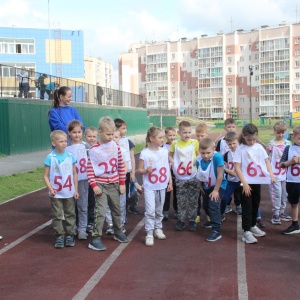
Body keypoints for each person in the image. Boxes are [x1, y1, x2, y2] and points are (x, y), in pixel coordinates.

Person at [87, 116, 129, 251]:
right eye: (108, 134)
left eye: (112, 134)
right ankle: (95, 238)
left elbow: (121, 166)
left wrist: (122, 183)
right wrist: (94, 185)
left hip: (114, 184)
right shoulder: (93, 150)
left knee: (117, 209)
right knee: (101, 211)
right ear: (100, 132)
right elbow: (90, 169)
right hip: (100, 184)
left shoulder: (115, 147)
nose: (111, 137)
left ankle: (118, 231)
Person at [234, 124, 276, 244]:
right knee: (246, 206)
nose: (251, 142)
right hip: (245, 183)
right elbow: (237, 168)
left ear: (256, 137)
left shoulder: (259, 147)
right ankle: (246, 231)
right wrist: (245, 183)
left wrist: (271, 174)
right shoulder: (240, 148)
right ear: (244, 136)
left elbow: (266, 161)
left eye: (254, 139)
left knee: (255, 203)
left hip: (257, 181)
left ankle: (252, 225)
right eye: (249, 139)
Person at [43, 130, 79, 248]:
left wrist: (76, 189)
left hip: (69, 192)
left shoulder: (70, 157)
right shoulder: (50, 157)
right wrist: (50, 188)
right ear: (54, 143)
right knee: (57, 215)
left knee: (70, 213)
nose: (64, 144)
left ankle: (69, 235)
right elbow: (45, 176)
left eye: (65, 141)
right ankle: (59, 235)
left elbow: (74, 174)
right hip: (56, 193)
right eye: (61, 141)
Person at [137, 126, 172, 246]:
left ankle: (158, 228)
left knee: (159, 209)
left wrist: (170, 182)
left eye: (163, 137)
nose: (163, 139)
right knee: (150, 211)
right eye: (160, 137)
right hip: (149, 187)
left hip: (162, 185)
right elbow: (139, 170)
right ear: (152, 138)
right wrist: (146, 170)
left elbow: (167, 168)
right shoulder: (145, 153)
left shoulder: (164, 151)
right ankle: (149, 233)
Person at [169, 121, 200, 231]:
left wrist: (197, 163)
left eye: (189, 132)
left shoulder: (194, 142)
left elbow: (198, 154)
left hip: (193, 175)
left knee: (193, 199)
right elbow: (170, 155)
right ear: (179, 133)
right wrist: (173, 163)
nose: (187, 135)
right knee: (181, 199)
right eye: (184, 132)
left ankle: (192, 220)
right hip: (180, 177)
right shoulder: (175, 144)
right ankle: (181, 220)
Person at [196, 138, 227, 241]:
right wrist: (200, 186)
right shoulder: (198, 159)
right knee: (205, 205)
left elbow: (220, 175)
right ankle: (214, 219)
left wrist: (216, 190)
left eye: (208, 153)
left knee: (213, 203)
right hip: (207, 185)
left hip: (219, 185)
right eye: (203, 153)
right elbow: (200, 174)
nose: (205, 155)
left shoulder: (217, 157)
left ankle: (216, 230)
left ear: (214, 149)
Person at [66, 120, 89, 240]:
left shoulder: (86, 146)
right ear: (69, 133)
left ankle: (82, 229)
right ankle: (72, 228)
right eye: (74, 132)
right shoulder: (66, 148)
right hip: (69, 181)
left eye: (79, 132)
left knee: (82, 205)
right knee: (70, 206)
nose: (77, 135)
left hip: (83, 179)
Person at [266, 121, 292, 225]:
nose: (280, 135)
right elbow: (265, 157)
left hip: (285, 173)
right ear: (274, 131)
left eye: (282, 132)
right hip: (274, 174)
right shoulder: (271, 144)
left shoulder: (288, 144)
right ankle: (275, 213)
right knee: (277, 193)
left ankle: (282, 211)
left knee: (284, 194)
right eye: (278, 132)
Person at [105, 129, 129, 235]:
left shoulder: (123, 151)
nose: (113, 139)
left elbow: (125, 166)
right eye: (111, 136)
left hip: (119, 182)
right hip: (107, 181)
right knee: (107, 204)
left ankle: (120, 223)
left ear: (119, 138)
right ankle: (110, 223)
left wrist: (121, 181)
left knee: (120, 204)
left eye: (116, 137)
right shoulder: (104, 150)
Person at [279, 126, 300, 234]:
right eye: (299, 138)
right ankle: (295, 224)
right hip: (293, 181)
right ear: (294, 138)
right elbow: (281, 164)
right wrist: (290, 162)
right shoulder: (288, 149)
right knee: (293, 203)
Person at [114, 118, 136, 211]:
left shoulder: (128, 142)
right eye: (123, 128)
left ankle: (124, 213)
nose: (125, 130)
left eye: (125, 128)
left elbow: (132, 158)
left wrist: (133, 172)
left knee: (125, 193)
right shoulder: (112, 141)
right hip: (114, 173)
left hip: (126, 172)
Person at [221, 132, 242, 216]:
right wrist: (228, 171)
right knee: (224, 198)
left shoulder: (243, 152)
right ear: (226, 144)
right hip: (231, 181)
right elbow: (224, 167)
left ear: (238, 142)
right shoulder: (226, 155)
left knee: (248, 197)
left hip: (242, 181)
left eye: (234, 143)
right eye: (230, 144)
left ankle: (257, 217)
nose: (232, 145)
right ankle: (221, 213)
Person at [84, 126, 98, 233]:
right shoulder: (82, 147)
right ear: (85, 137)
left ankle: (91, 221)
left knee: (93, 201)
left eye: (94, 136)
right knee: (84, 201)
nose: (92, 138)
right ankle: (82, 220)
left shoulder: (99, 148)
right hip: (83, 178)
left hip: (95, 179)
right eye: (89, 136)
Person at [194, 122, 209, 223]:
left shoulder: (211, 145)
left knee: (207, 196)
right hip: (196, 174)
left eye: (202, 135)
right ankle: (197, 214)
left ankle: (208, 213)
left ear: (207, 135)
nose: (200, 137)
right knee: (197, 196)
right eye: (198, 135)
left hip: (207, 176)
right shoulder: (194, 144)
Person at [162, 126, 178, 221]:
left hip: (176, 171)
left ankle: (177, 210)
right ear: (165, 136)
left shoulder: (177, 145)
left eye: (173, 135)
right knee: (167, 191)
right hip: (167, 171)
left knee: (177, 191)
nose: (172, 137)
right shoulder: (164, 147)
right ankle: (165, 210)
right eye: (170, 135)